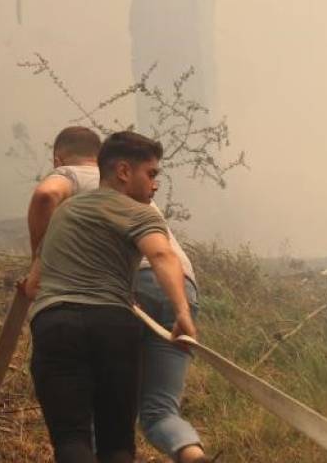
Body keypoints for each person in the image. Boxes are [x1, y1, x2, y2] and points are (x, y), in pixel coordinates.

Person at [25, 127, 212, 463]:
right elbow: (162, 255)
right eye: (151, 174)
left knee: (72, 440)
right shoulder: (141, 212)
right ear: (124, 171)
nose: (155, 185)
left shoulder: (66, 211)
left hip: (55, 326)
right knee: (116, 447)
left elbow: (33, 283)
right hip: (112, 326)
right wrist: (182, 312)